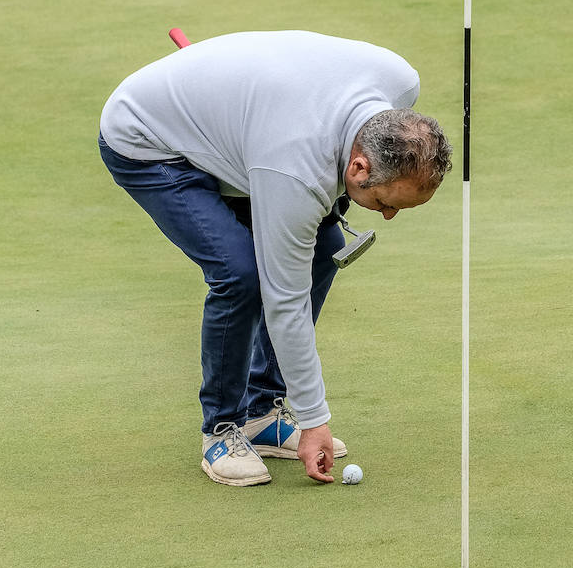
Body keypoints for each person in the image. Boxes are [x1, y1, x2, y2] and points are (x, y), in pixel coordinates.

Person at [98, 30, 452, 487]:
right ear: (358, 168)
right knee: (240, 272)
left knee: (324, 250)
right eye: (387, 202)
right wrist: (314, 420)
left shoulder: (398, 81)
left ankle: (262, 412)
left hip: (254, 129)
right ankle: (221, 429)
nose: (387, 215)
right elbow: (283, 299)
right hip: (150, 139)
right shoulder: (294, 169)